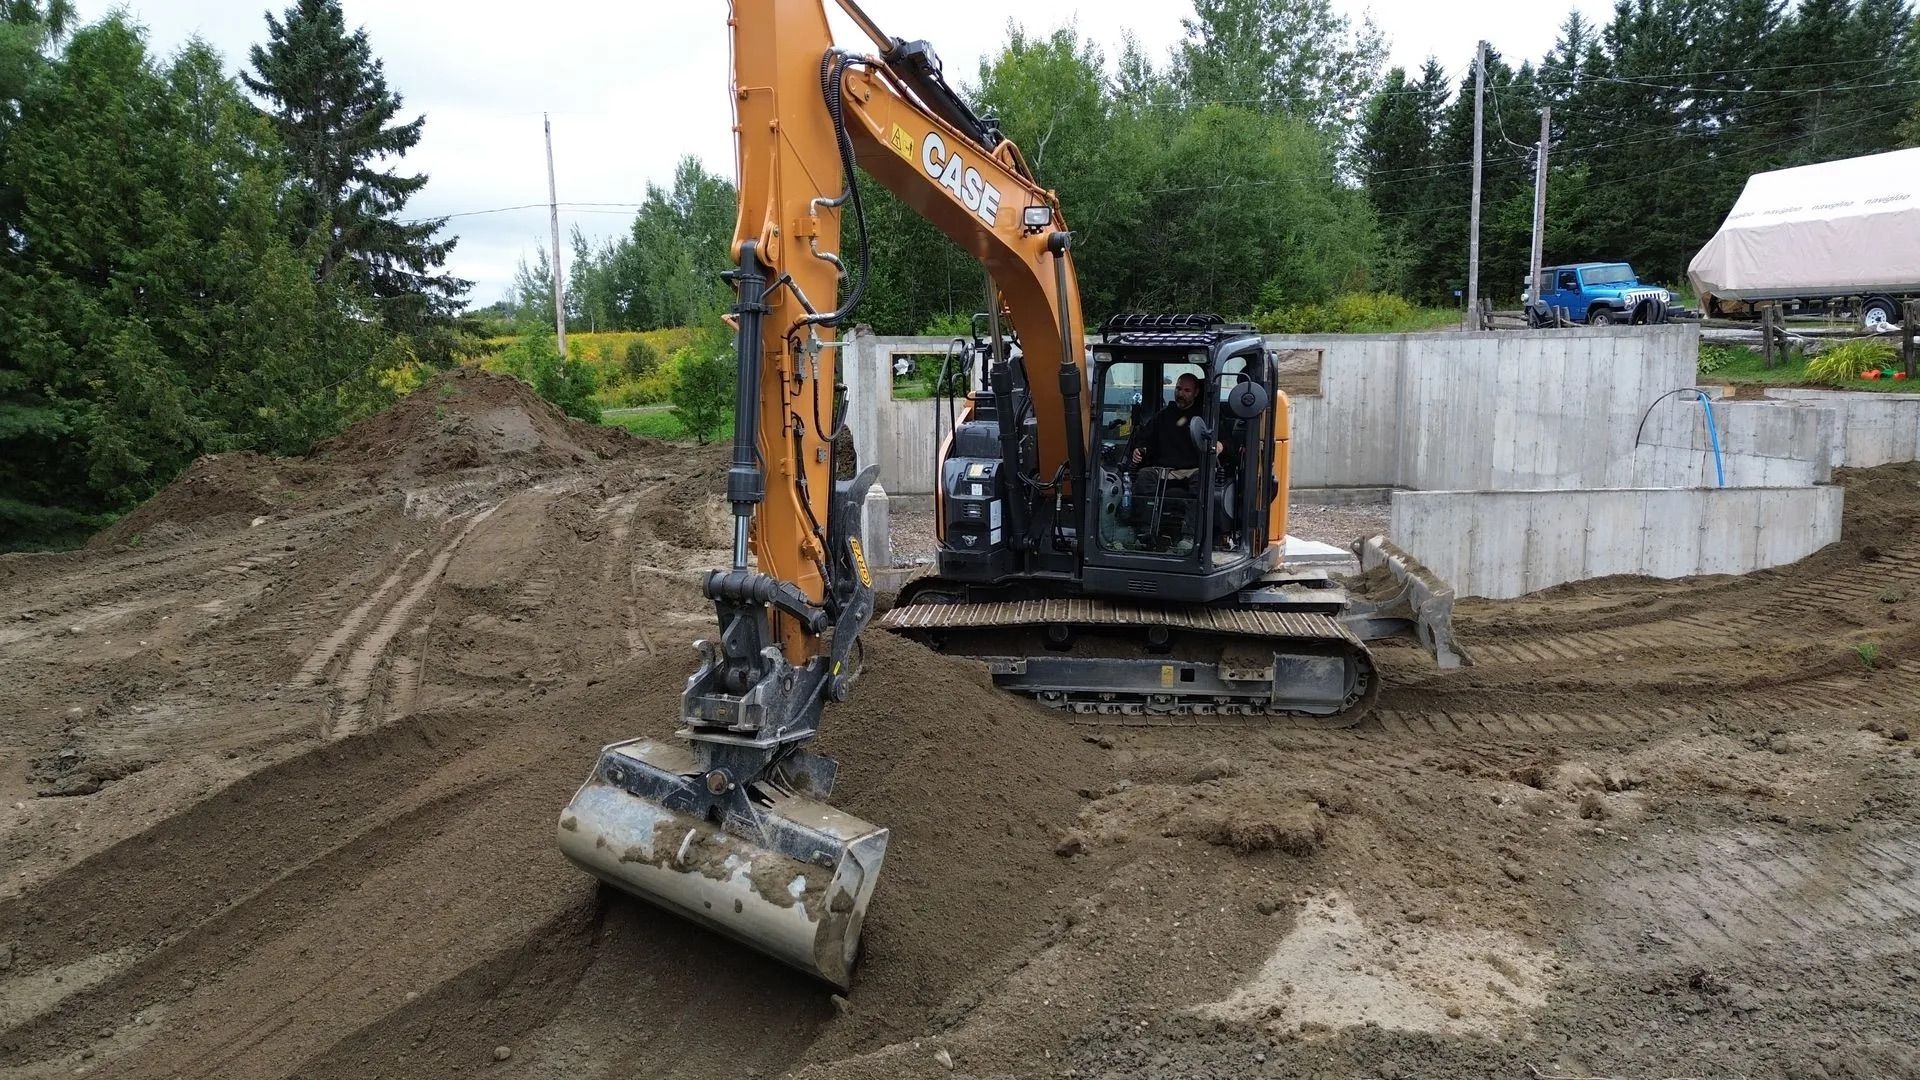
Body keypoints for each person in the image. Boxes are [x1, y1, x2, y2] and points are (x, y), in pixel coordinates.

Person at [1125, 373, 1227, 548]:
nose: (1181, 393)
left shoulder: (1205, 416)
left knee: (1202, 480)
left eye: (1187, 390)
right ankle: (1144, 532)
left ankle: (1189, 536)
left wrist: (1220, 445)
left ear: (1196, 393)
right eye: (1179, 389)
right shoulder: (1163, 416)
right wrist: (1139, 450)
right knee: (1143, 476)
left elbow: (1225, 440)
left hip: (1193, 469)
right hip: (1163, 469)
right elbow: (1144, 440)